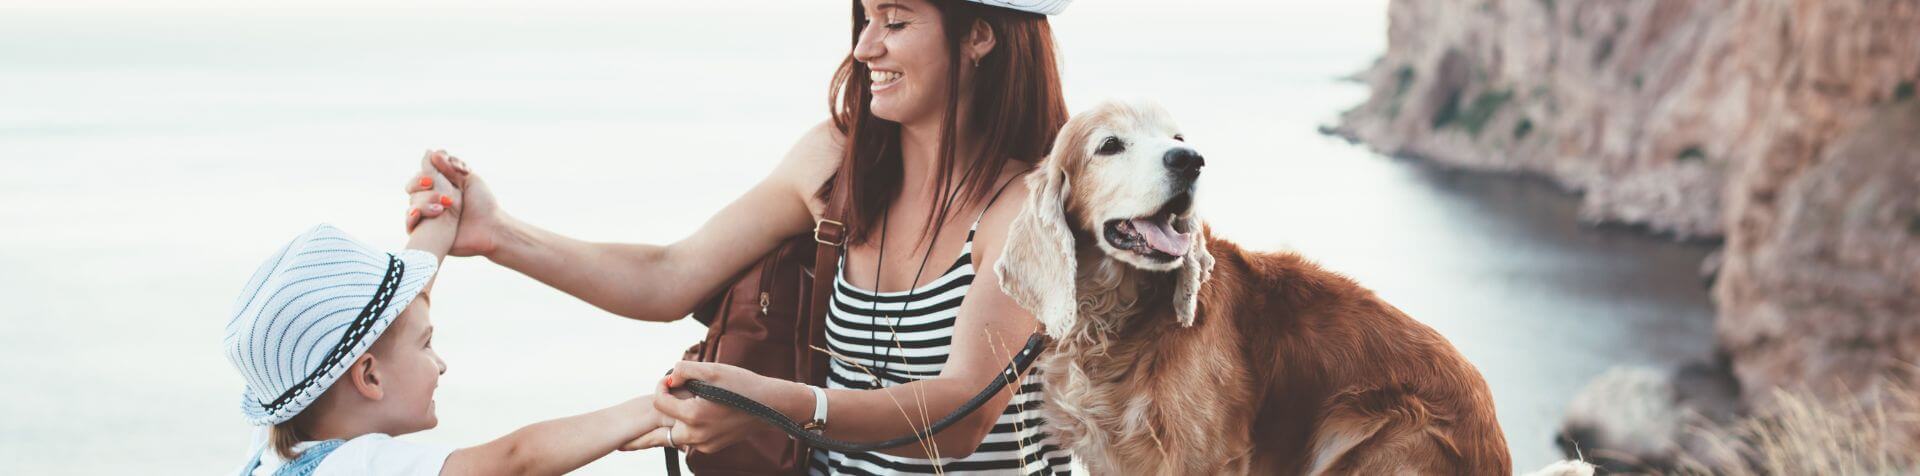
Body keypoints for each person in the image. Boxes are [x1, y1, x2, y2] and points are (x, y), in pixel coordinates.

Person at [405, 0, 1075, 473]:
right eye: (865, 18)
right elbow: (669, 276)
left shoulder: (1027, 210)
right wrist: (498, 235)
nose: (866, 46)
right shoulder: (837, 163)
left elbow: (959, 418)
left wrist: (778, 408)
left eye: (895, 22)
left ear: (980, 36)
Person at [225, 156, 674, 476]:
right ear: (370, 378)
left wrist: (443, 213)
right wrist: (654, 410)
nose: (440, 363)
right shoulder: (362, 467)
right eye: (427, 344)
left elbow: (400, 316)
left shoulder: (271, 446)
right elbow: (517, 459)